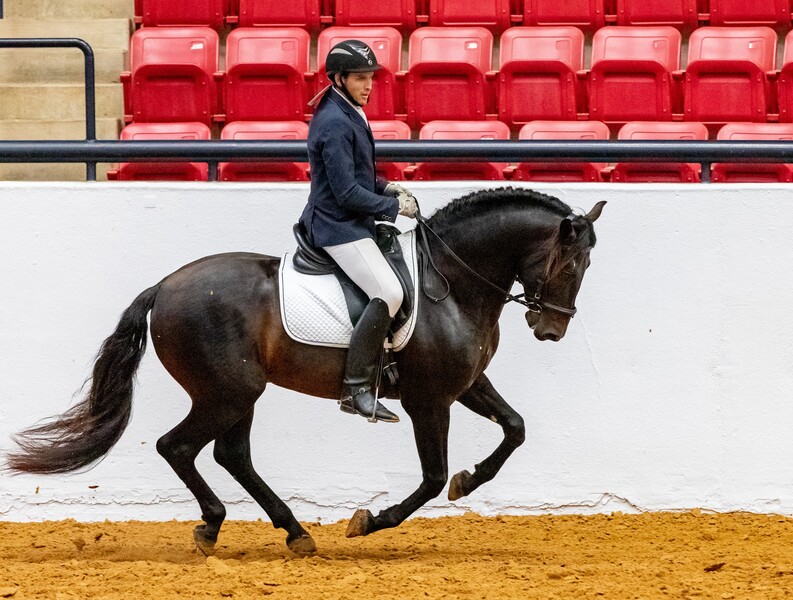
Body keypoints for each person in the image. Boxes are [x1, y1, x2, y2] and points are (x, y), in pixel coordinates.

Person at [299, 40, 418, 424]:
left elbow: (358, 176)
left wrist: (386, 187)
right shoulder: (333, 121)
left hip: (351, 220)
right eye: (361, 78)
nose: (368, 86)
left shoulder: (349, 109)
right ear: (340, 78)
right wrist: (392, 207)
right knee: (389, 291)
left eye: (371, 78)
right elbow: (346, 192)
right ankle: (356, 388)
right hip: (335, 225)